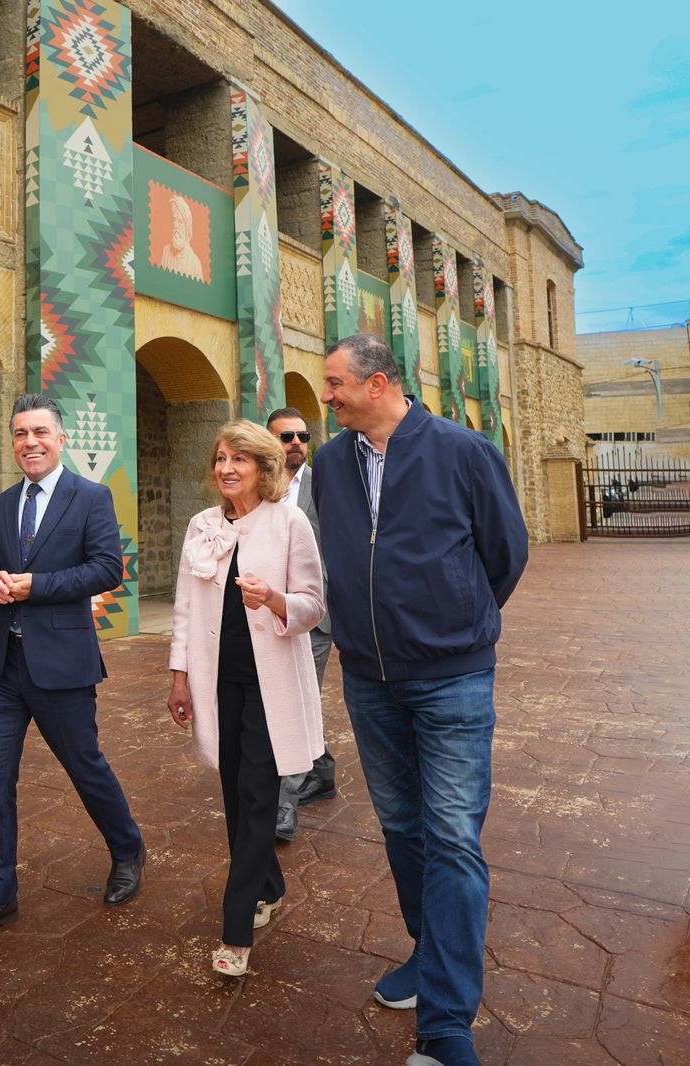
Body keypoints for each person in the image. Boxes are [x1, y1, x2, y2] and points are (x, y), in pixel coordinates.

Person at [315, 333, 528, 1066]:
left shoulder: (465, 451)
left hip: (453, 678)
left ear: (378, 383)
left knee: (453, 837)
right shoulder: (330, 463)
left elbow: (506, 554)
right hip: (368, 678)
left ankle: (446, 1023)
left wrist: (452, 621)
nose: (327, 396)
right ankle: (430, 950)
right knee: (403, 826)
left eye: (336, 383)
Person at [0, 394, 146, 945]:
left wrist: (36, 586)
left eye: (39, 432)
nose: (29, 442)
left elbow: (107, 568)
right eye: (20, 433)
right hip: (3, 667)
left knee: (85, 767)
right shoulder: (2, 503)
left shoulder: (91, 496)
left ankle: (128, 848)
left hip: (62, 664)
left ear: (60, 439)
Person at [166, 420, 325, 978]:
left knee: (258, 794)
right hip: (218, 681)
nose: (227, 468)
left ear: (263, 467)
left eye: (239, 459)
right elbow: (185, 607)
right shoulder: (202, 525)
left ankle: (236, 930)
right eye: (220, 458)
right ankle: (269, 885)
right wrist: (180, 676)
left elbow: (313, 605)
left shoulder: (289, 521)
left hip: (269, 682)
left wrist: (275, 599)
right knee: (235, 793)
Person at [263, 407, 338, 843]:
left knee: (291, 703)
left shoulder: (324, 485)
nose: (296, 443)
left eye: (302, 437)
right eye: (286, 436)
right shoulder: (259, 485)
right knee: (296, 700)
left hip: (315, 616)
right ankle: (322, 771)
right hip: (267, 614)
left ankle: (283, 804)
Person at [159, 194, 204, 281]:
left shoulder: (195, 264)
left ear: (187, 228)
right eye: (174, 220)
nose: (176, 225)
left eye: (179, 221)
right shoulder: (166, 251)